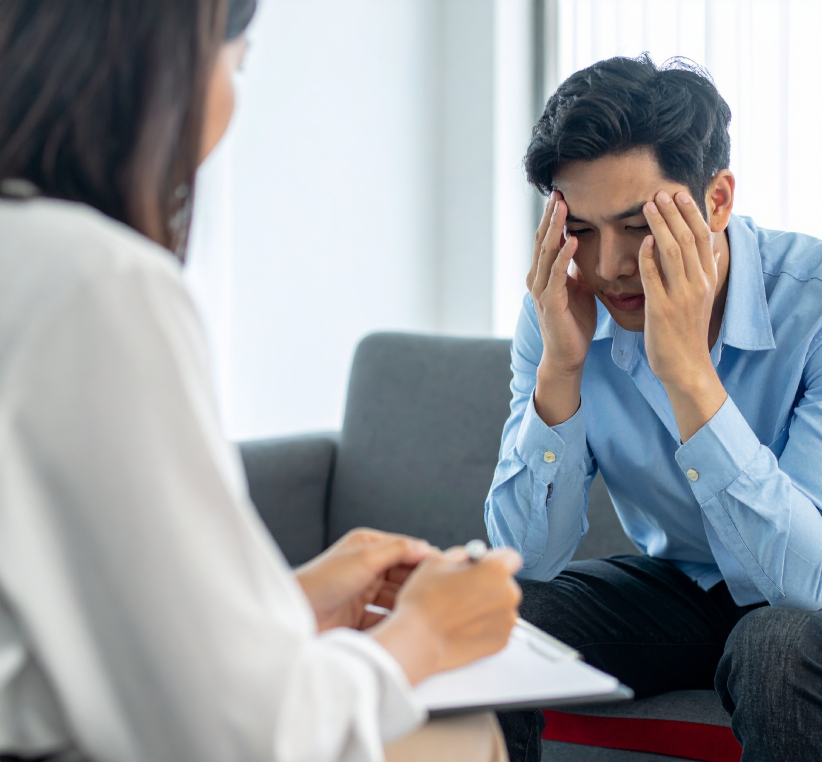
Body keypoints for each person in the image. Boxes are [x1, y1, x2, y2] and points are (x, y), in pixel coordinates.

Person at [0, 2, 521, 761]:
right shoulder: (99, 284)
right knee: (458, 736)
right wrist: (424, 635)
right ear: (164, 68)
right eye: (235, 64)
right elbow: (246, 734)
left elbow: (73, 622)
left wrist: (286, 601)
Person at [485, 55, 822, 762]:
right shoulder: (563, 310)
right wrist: (560, 367)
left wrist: (686, 371)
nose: (609, 264)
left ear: (716, 201)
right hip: (693, 585)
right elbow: (525, 559)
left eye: (637, 226)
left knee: (778, 644)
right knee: (490, 617)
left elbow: (805, 583)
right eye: (580, 231)